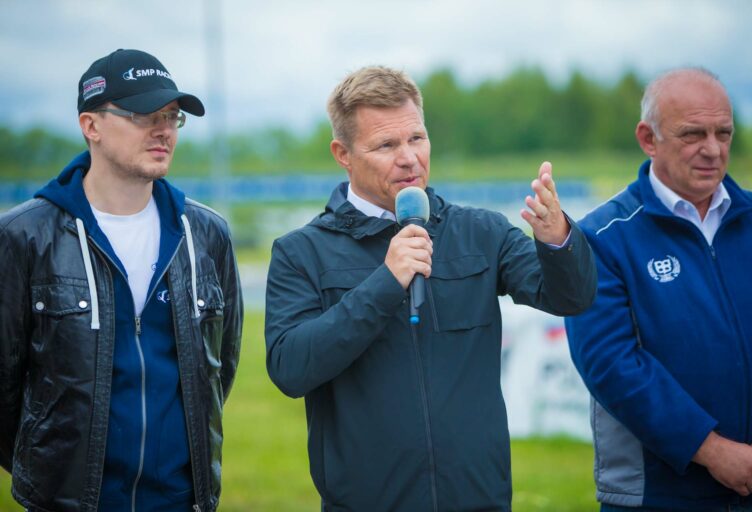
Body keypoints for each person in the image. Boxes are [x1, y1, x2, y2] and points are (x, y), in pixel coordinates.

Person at [264, 65, 596, 511]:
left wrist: (558, 240)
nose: (409, 158)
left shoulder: (481, 232)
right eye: (386, 145)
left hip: (480, 500)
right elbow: (290, 368)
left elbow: (570, 298)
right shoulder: (300, 252)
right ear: (342, 153)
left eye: (416, 138)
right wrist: (385, 282)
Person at [0, 49, 243, 512]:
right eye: (142, 115)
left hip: (181, 500)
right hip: (69, 501)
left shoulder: (207, 233)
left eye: (171, 117)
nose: (163, 130)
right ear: (90, 125)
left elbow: (220, 366)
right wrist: (51, 473)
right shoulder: (24, 236)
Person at [564, 67, 752, 511]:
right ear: (648, 138)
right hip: (657, 496)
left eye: (724, 133)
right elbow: (610, 365)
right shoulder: (602, 237)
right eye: (693, 134)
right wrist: (711, 449)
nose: (713, 150)